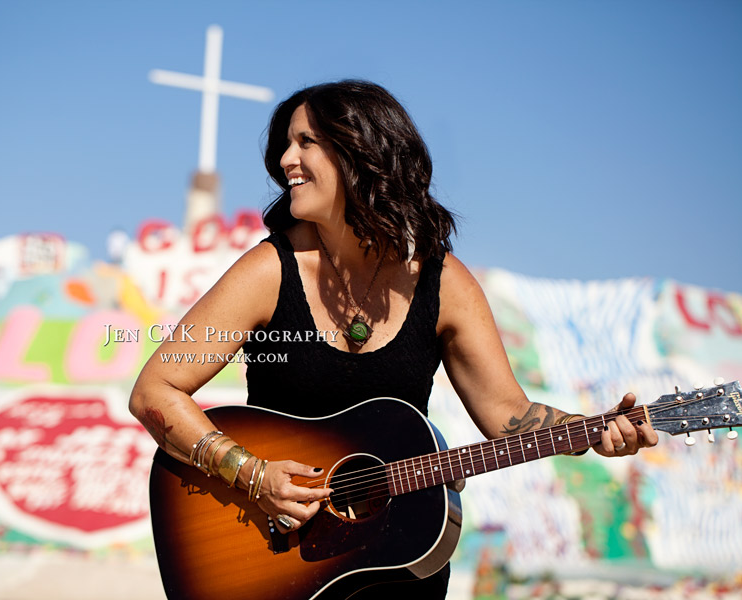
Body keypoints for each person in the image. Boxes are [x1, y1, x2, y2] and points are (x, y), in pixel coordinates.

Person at [129, 80, 658, 599]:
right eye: (285, 144)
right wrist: (253, 475)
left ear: (362, 151)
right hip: (272, 557)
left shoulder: (445, 284)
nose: (286, 160)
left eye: (306, 142)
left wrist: (594, 430)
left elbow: (508, 415)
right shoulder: (269, 272)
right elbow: (155, 390)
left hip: (401, 557)